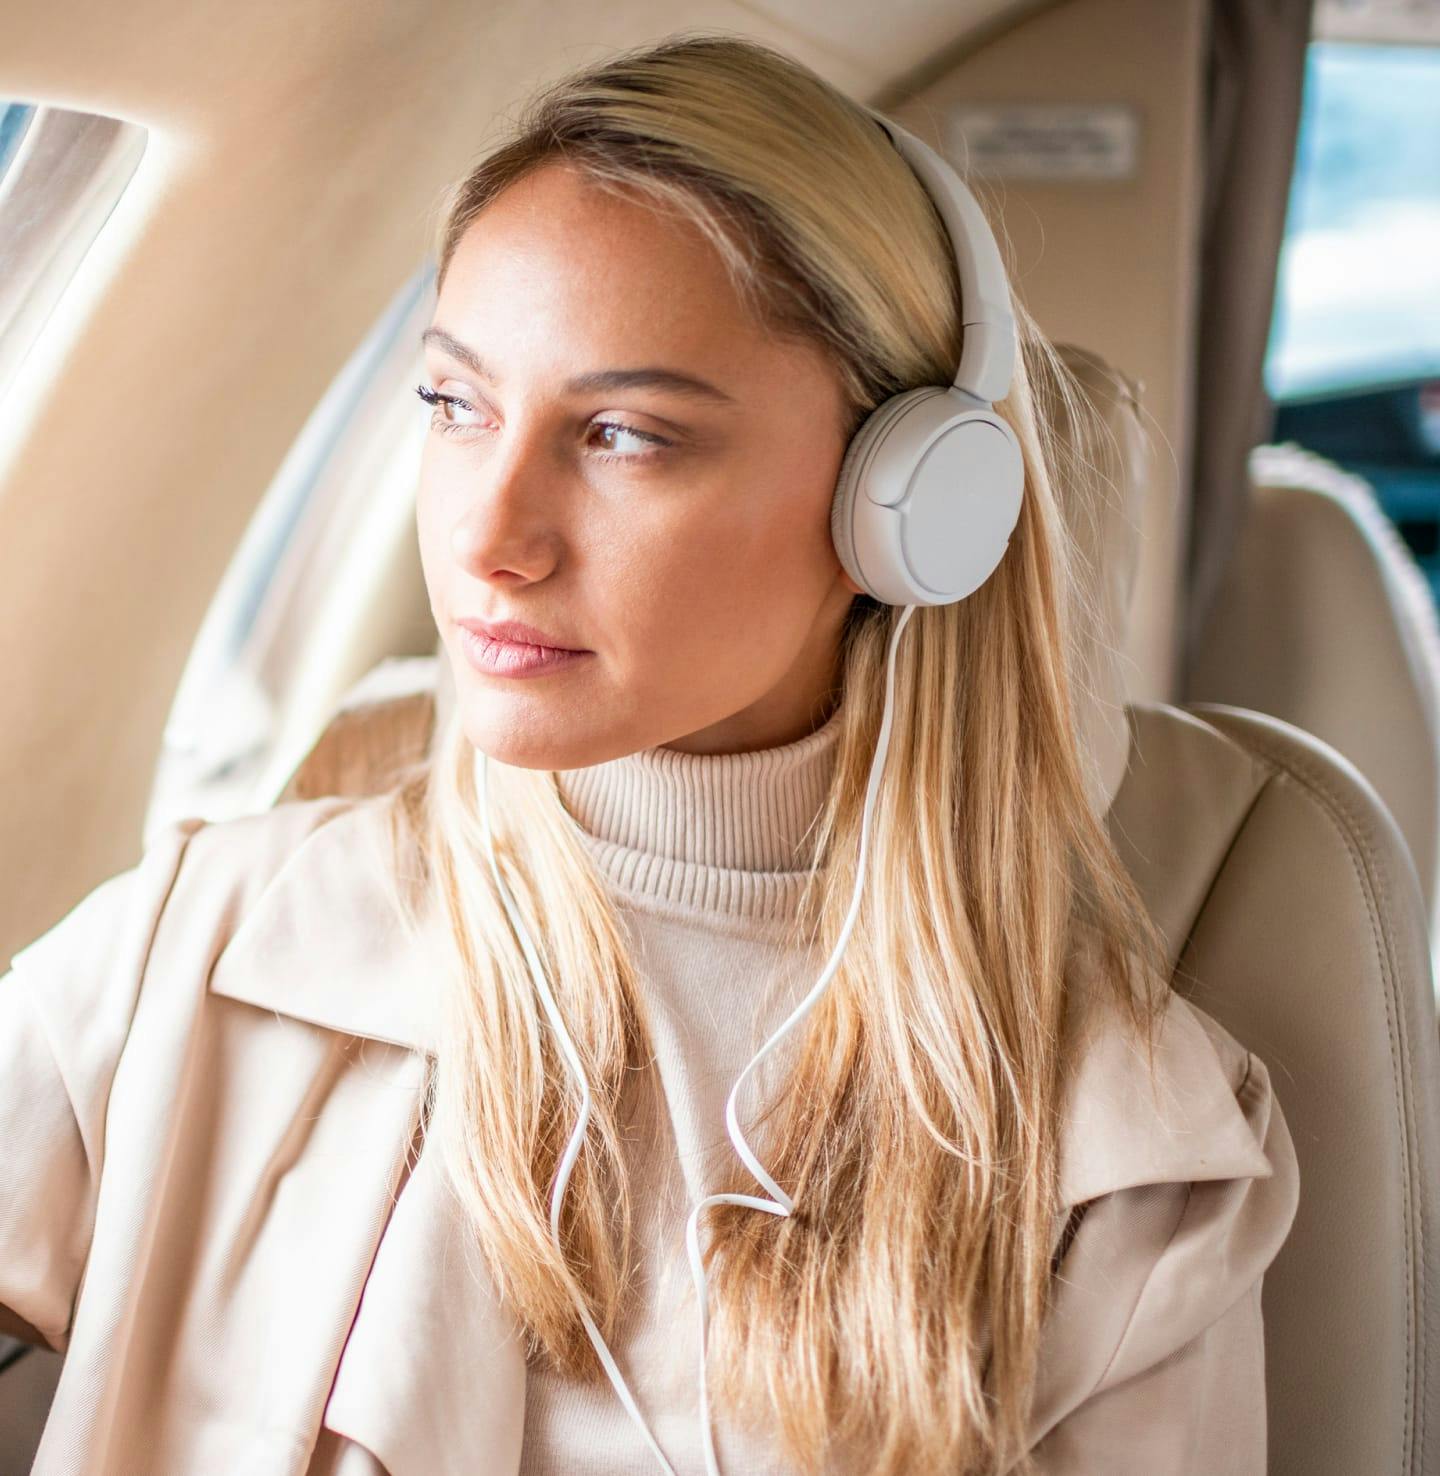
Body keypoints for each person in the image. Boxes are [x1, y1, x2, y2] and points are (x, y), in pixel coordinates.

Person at [0, 32, 1299, 1476]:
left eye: (624, 434)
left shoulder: (1117, 1154)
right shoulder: (200, 942)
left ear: (902, 504)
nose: (491, 537)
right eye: (454, 405)